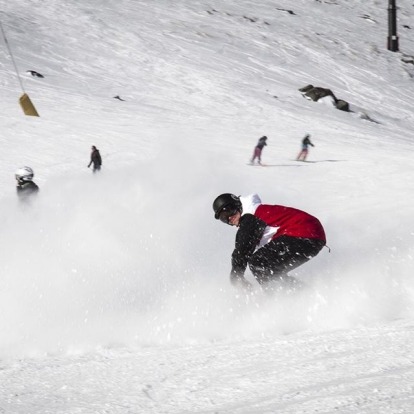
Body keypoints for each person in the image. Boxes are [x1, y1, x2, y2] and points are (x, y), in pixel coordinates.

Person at [212, 193, 326, 289]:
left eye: (229, 211)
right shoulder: (251, 218)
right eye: (223, 218)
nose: (229, 218)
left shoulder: (250, 216)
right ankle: (303, 294)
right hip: (309, 234)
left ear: (237, 205)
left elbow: (243, 248)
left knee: (259, 262)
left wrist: (236, 276)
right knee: (271, 269)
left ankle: (284, 299)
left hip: (304, 232)